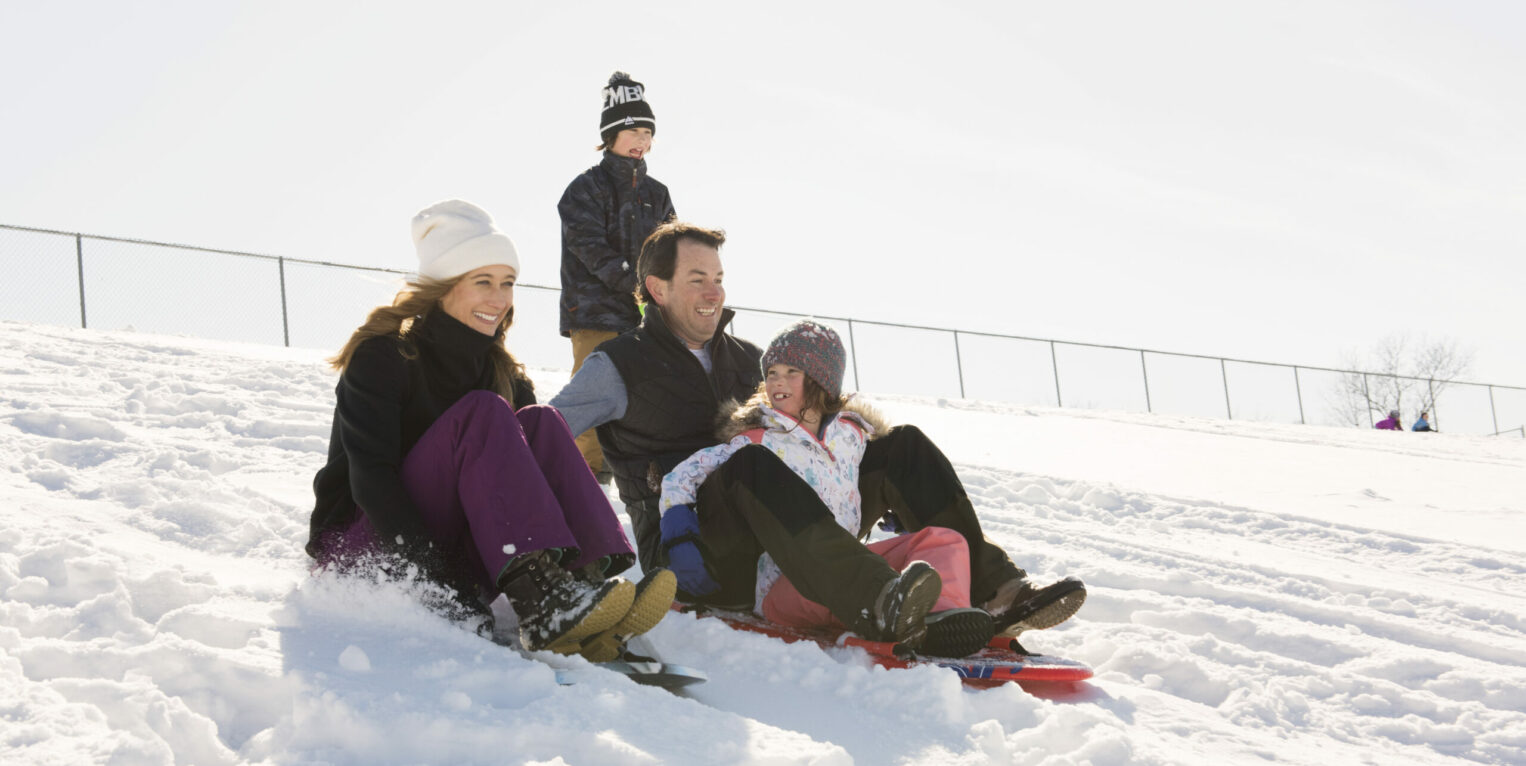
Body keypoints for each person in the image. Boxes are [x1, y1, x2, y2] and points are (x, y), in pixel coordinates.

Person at [306, 199, 674, 662]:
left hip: (458, 550)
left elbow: (528, 485)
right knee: (482, 411)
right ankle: (544, 604)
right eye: (483, 282)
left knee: (541, 421)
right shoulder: (384, 356)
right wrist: (437, 584)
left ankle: (581, 587)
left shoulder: (504, 373)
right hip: (373, 555)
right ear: (443, 287)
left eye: (508, 284)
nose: (499, 299)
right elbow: (371, 478)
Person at [656, 320, 1086, 655]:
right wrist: (678, 526)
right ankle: (882, 602)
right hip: (782, 581)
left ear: (822, 381)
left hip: (843, 563)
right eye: (772, 372)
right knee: (754, 465)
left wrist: (899, 494)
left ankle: (982, 601)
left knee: (920, 479)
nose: (778, 381)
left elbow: (891, 466)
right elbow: (684, 475)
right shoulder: (756, 438)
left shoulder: (850, 435)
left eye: (792, 371)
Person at [549, 221, 761, 575]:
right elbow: (537, 439)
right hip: (680, 553)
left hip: (767, 531)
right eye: (698, 280)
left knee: (886, 447)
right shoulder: (618, 365)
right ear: (657, 289)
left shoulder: (752, 360)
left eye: (718, 280)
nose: (714, 294)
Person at [558, 71, 676, 483]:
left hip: (643, 316)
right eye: (633, 130)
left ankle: (637, 478)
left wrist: (668, 289)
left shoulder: (657, 193)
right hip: (595, 313)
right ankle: (578, 479)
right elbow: (586, 244)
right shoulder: (585, 188)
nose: (641, 140)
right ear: (611, 134)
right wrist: (633, 282)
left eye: (648, 132)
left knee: (647, 397)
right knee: (591, 398)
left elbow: (671, 246)